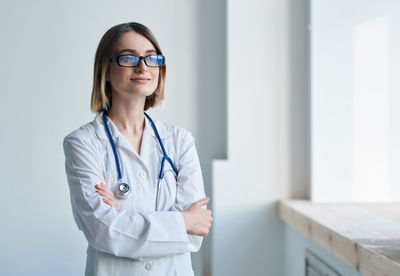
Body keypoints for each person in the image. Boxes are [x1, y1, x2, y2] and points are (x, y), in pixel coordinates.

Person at [63, 22, 212, 276]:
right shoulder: (82, 143)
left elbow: (195, 235)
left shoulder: (180, 141)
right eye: (129, 57)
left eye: (151, 58)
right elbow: (102, 232)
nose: (143, 67)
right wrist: (182, 221)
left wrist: (123, 218)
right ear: (106, 70)